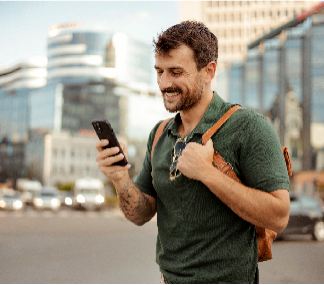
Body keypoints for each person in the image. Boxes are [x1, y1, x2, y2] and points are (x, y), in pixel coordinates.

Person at [96, 20, 290, 284]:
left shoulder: (248, 126)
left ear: (209, 71)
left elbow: (279, 216)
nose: (164, 83)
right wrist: (119, 178)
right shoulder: (159, 135)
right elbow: (141, 214)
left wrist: (208, 174)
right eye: (159, 71)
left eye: (176, 72)